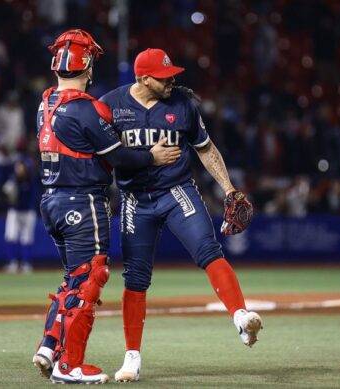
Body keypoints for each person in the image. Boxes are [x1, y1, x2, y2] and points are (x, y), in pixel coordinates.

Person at [99, 48, 263, 382]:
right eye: (163, 77)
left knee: (208, 249)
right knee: (135, 278)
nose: (171, 80)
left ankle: (240, 317)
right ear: (144, 79)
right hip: (134, 199)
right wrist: (145, 159)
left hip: (176, 192)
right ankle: (132, 357)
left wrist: (228, 189)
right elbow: (103, 155)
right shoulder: (111, 105)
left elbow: (206, 148)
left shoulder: (183, 105)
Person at [30, 30, 181, 385]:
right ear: (88, 65)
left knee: (72, 278)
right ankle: (69, 365)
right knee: (89, 278)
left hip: (51, 200)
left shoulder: (45, 102)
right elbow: (120, 157)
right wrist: (152, 156)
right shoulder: (87, 109)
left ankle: (49, 346)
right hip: (82, 202)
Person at [3, 158, 39, 274]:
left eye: (21, 167)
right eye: (18, 167)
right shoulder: (12, 180)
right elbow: (4, 195)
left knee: (26, 238)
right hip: (14, 212)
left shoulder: (31, 180)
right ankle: (12, 264)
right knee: (11, 236)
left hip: (28, 212)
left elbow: (35, 196)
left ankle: (26, 264)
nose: (19, 169)